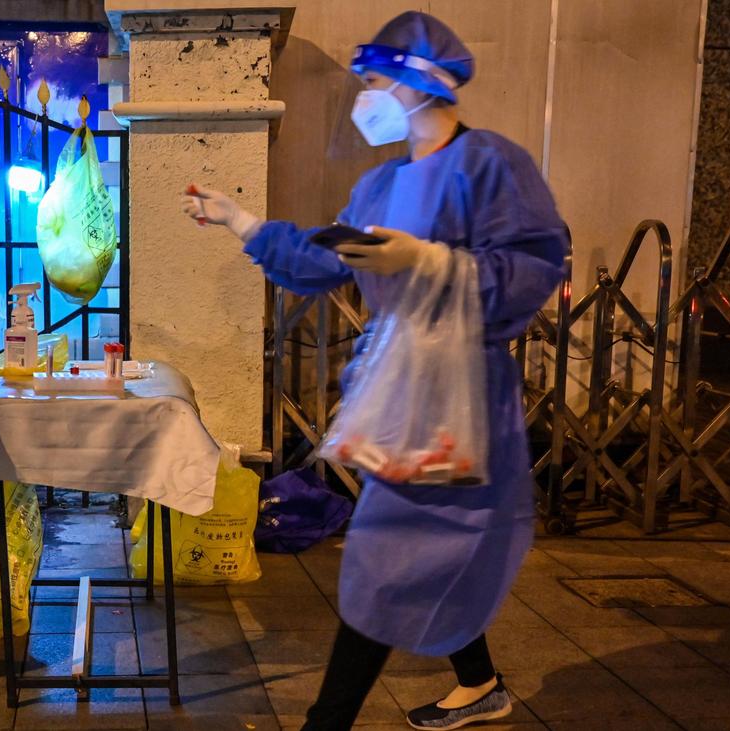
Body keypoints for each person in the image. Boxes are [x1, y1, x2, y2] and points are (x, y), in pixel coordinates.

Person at [182, 11, 568, 731]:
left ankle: (326, 723)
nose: (366, 97)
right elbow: (324, 260)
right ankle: (480, 682)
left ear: (421, 81)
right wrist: (239, 220)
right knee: (422, 546)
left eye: (375, 82)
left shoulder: (490, 165)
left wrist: (428, 261)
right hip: (399, 390)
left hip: (460, 398)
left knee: (389, 554)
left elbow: (534, 266)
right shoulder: (382, 184)